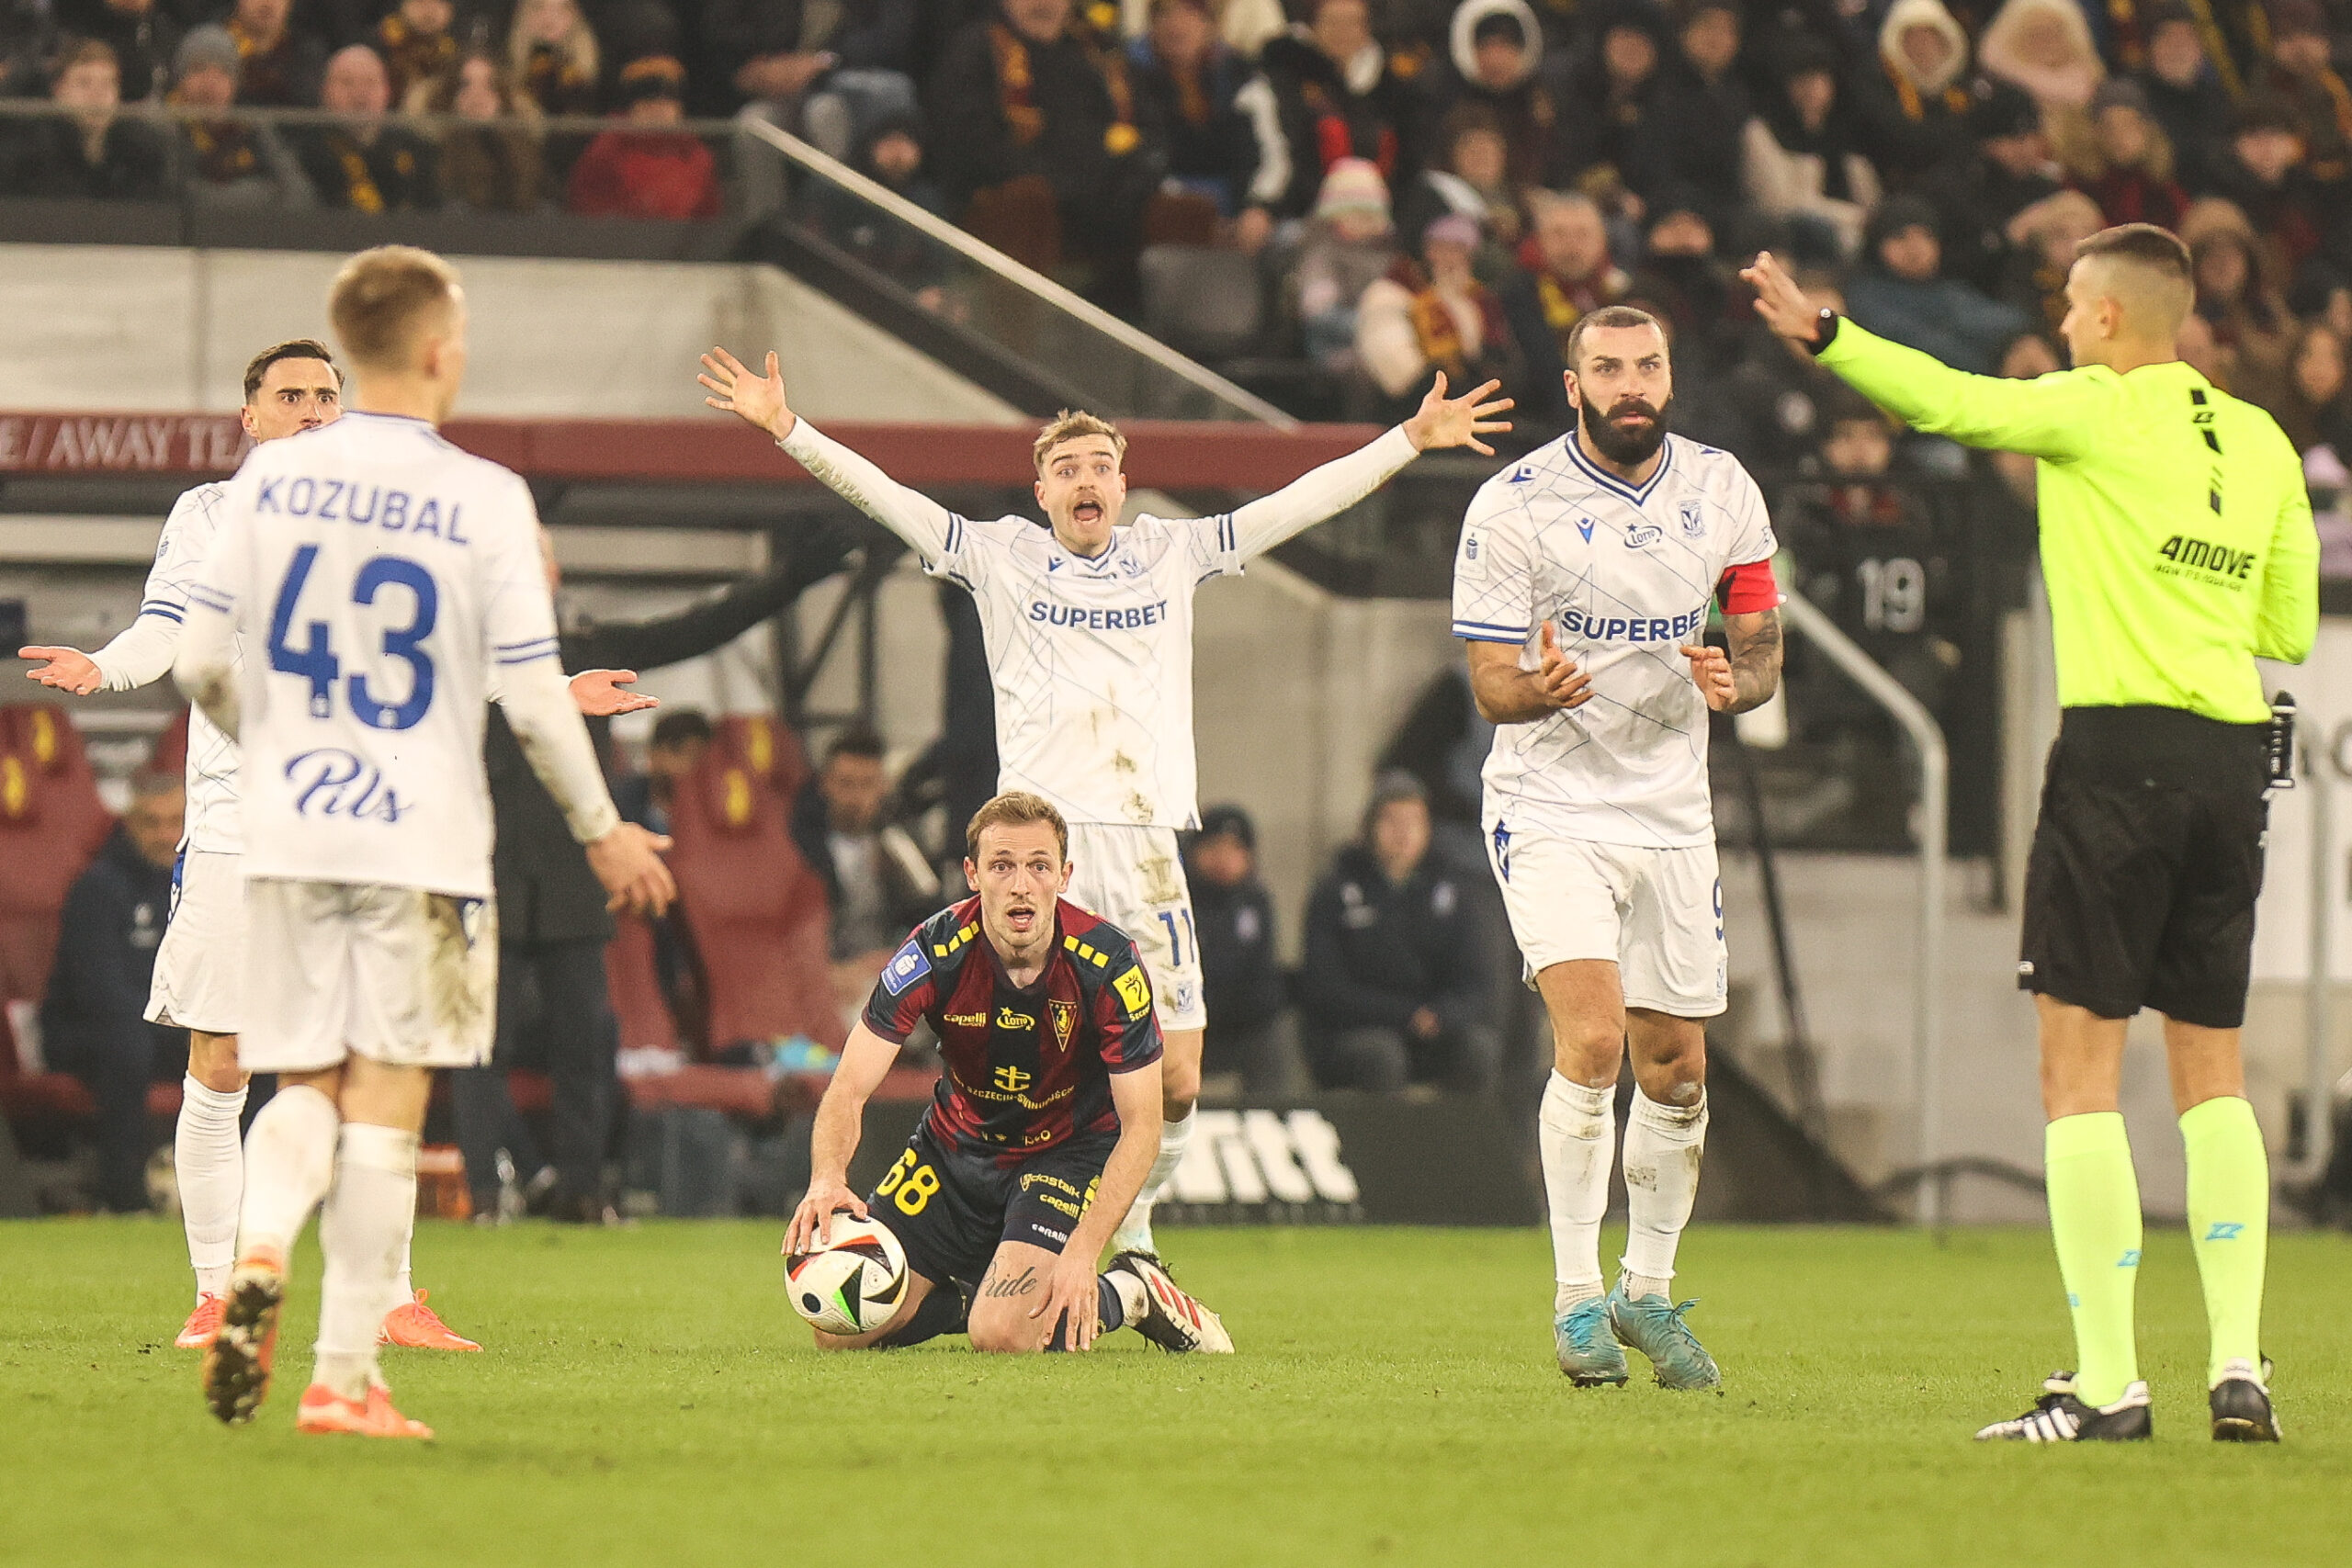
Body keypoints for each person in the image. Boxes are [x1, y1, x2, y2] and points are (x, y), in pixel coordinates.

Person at [700, 339, 1509, 1268]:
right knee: (1056, 1068)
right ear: (1039, 491)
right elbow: (888, 498)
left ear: (1124, 486)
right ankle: (1048, 1237)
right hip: (1045, 855)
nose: (1083, 479)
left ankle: (1137, 1234)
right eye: (1063, 468)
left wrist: (1406, 439)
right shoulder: (999, 556)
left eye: (1099, 466)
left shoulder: (1172, 553)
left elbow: (1294, 505)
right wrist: (787, 428)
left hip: (1148, 842)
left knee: (1179, 1076)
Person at [1746, 223, 2316, 1443]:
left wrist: (1826, 333)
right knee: (2212, 1073)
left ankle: (2108, 1379)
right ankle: (2238, 1367)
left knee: (2079, 1075)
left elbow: (1949, 400)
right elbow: (2294, 625)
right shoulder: (2265, 440)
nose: (2061, 322)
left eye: (2069, 305)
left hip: (2119, 755)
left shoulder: (2093, 409)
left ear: (2110, 319)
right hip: (2233, 760)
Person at [175, 245, 674, 1440]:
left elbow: (198, 663)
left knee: (305, 1081)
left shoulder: (263, 490)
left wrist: (283, 739)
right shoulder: (483, 495)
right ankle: (343, 1378)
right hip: (422, 833)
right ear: (443, 351)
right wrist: (603, 833)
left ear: (346, 355)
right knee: (386, 1098)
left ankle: (253, 1250)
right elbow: (535, 694)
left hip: (288, 828)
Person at [17, 338, 553, 1355]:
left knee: (378, 1064)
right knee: (219, 1061)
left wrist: (551, 693)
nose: (312, 409)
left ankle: (391, 1295)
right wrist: (104, 667)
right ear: (250, 418)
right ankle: (216, 1295)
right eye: (290, 395)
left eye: (327, 394)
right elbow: (165, 626)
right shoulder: (209, 517)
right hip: (236, 827)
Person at [1450, 302, 1782, 1392]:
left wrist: (1746, 681)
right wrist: (1532, 689)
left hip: (1671, 812)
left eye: (1647, 365)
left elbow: (1759, 637)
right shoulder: (1512, 507)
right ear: (1572, 384)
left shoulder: (1722, 489)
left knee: (1676, 1068)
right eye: (1608, 368)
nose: (1630, 384)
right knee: (1590, 1044)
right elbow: (1490, 682)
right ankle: (1573, 1301)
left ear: (1669, 378)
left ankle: (1645, 1290)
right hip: (1550, 807)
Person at [458, 523, 854, 1223]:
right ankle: (494, 1187)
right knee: (474, 1044)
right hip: (481, 874)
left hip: (577, 879)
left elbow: (698, 628)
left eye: (539, 558)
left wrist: (788, 580)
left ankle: (580, 1191)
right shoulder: (457, 663)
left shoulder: (589, 653)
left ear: (552, 576)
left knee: (587, 1039)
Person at [783, 791, 1231, 1355]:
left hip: (1063, 1157)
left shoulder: (1109, 964)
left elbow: (1141, 1125)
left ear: (1064, 875)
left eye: (1039, 866)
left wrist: (1084, 1254)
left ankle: (1132, 1291)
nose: (1021, 884)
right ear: (973, 874)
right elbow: (848, 1087)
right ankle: (991, 1293)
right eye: (1002, 866)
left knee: (1003, 1335)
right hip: (953, 1153)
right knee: (841, 1331)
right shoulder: (933, 951)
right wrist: (827, 1177)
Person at [1297, 771, 1498, 1092]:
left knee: (1477, 1050)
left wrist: (1442, 1014)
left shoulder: (1451, 891)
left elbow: (1474, 982)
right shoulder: (1335, 890)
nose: (1404, 833)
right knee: (1382, 1056)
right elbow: (1324, 987)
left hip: (1430, 1030)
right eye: (1392, 821)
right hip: (1357, 1031)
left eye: (1414, 822)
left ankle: (1462, 1142)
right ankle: (1385, 1143)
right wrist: (1403, 1015)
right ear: (1370, 827)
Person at [40, 773, 185, 1214]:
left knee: (248, 1048)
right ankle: (124, 1198)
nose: (165, 835)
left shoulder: (195, 887)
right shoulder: (98, 888)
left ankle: (250, 1194)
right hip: (83, 1034)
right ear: (128, 823)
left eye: (175, 821)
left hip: (167, 1028)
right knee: (127, 1043)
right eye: (151, 822)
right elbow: (100, 992)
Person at [789, 725, 941, 1014]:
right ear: (825, 785)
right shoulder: (800, 851)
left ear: (883, 786)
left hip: (890, 972)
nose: (857, 797)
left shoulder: (898, 844)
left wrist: (896, 957)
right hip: (825, 980)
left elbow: (933, 918)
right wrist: (827, 972)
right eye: (846, 784)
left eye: (867, 784)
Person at [1844, 196, 2031, 375]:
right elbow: (1914, 349)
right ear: (1877, 244)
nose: (1915, 247)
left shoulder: (1949, 290)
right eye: (1900, 236)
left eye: (1926, 235)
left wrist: (2015, 343)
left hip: (1978, 386)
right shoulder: (1865, 295)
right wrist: (1996, 365)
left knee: (2029, 347)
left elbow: (2011, 321)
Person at [1185, 804, 1296, 1093]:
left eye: (1234, 849)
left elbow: (1265, 977)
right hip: (1186, 1023)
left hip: (1240, 1025)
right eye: (1214, 847)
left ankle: (1270, 1121)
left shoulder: (1257, 902)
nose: (1224, 858)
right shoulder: (1176, 902)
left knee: (1275, 1036)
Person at [2, 39, 170, 200]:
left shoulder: (140, 154)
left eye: (108, 83)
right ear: (58, 89)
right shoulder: (30, 156)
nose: (97, 95)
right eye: (84, 83)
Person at [169, 24, 311, 208]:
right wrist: (266, 195)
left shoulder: (252, 127)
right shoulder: (166, 126)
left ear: (235, 84)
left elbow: (301, 194)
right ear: (180, 79)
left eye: (223, 72)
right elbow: (180, 196)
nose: (210, 83)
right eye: (199, 69)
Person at [567, 53, 722, 220]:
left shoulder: (696, 155)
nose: (659, 109)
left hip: (686, 242)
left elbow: (711, 216)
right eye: (648, 101)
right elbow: (587, 211)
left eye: (668, 100)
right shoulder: (605, 151)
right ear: (631, 108)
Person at [294, 44, 439, 211]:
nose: (360, 93)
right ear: (325, 91)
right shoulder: (306, 153)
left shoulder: (415, 149)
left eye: (370, 82)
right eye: (347, 83)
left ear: (387, 90)